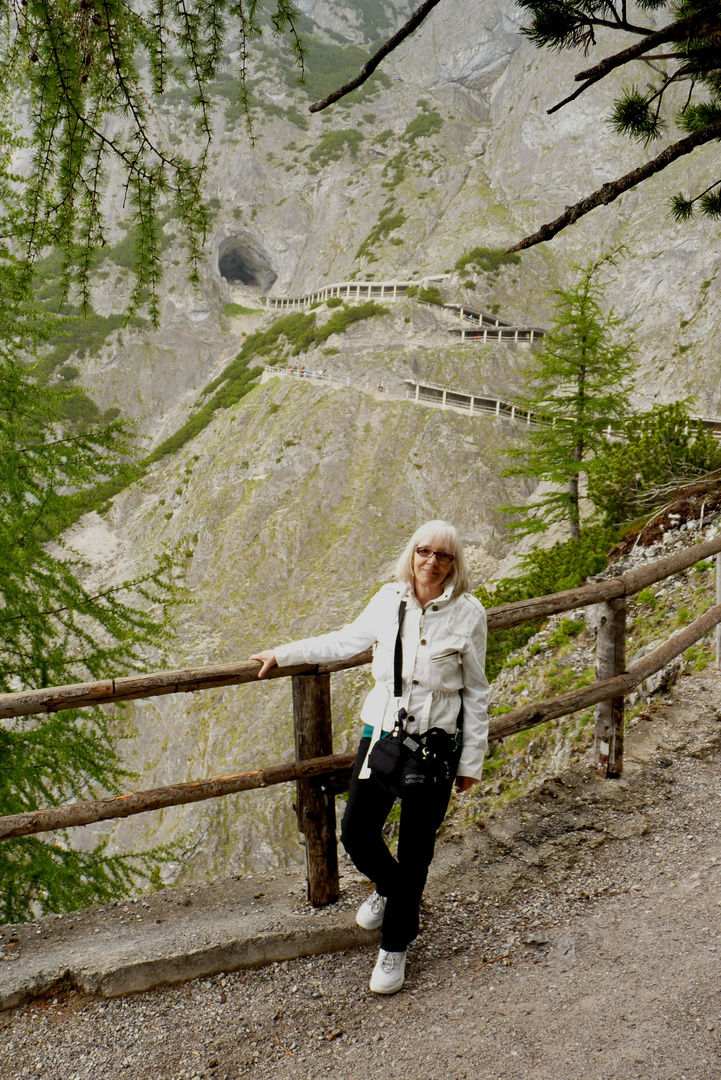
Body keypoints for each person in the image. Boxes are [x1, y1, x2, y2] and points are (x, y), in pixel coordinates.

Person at [250, 520, 489, 995]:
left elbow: (476, 692)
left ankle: (395, 945)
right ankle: (391, 888)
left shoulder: (469, 614)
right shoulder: (388, 599)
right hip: (382, 735)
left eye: (444, 555)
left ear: (454, 564)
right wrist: (284, 652)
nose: (433, 562)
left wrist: (471, 761)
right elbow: (344, 641)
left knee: (416, 850)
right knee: (356, 832)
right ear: (412, 554)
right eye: (425, 551)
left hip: (436, 747)